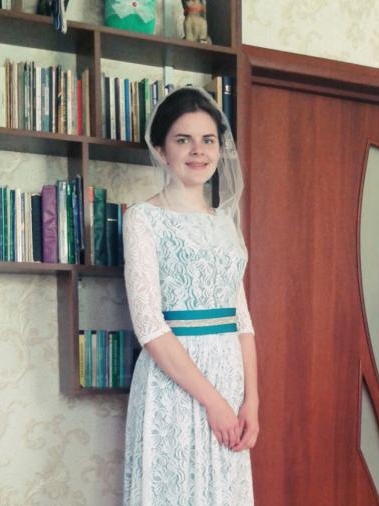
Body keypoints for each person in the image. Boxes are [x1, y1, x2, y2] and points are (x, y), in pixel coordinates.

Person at [122, 86, 258, 506]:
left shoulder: (225, 223)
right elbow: (149, 326)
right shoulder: (143, 218)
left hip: (230, 379)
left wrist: (251, 402)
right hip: (175, 383)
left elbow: (242, 320)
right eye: (183, 139)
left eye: (208, 140)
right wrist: (214, 402)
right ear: (162, 150)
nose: (198, 151)